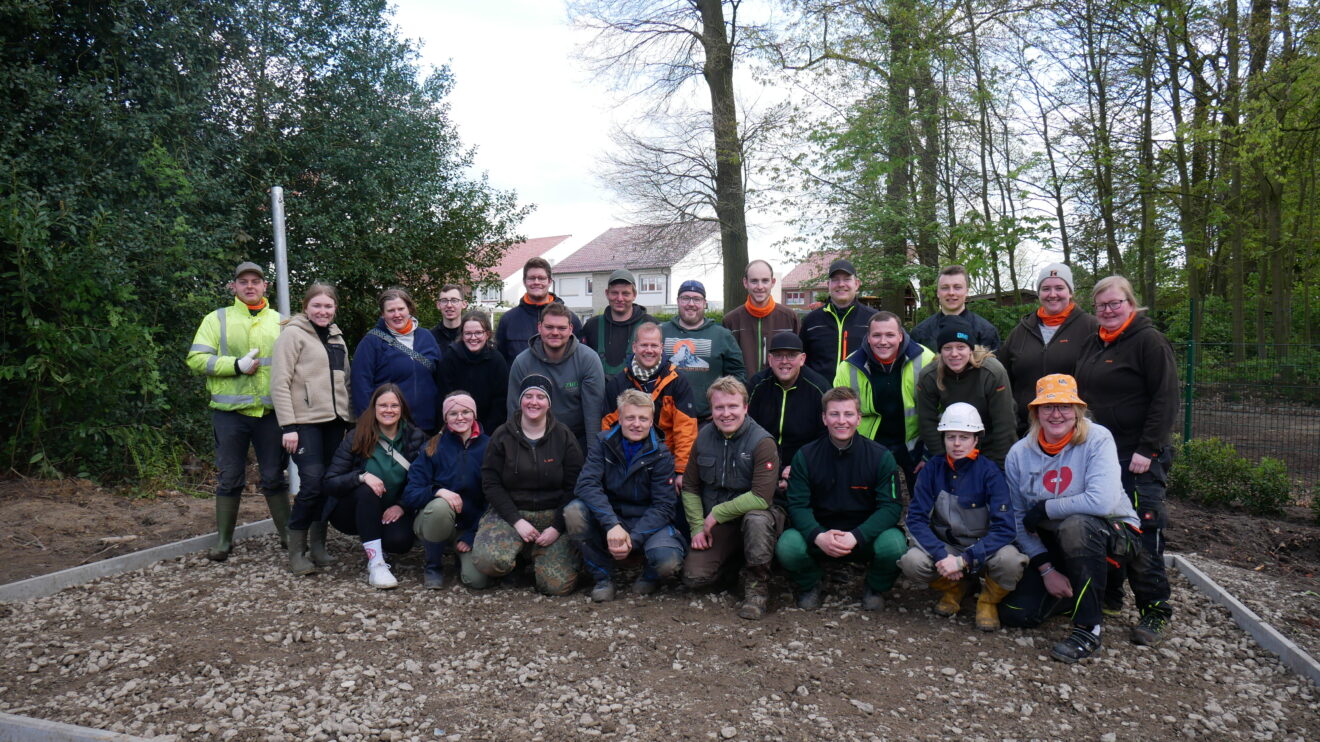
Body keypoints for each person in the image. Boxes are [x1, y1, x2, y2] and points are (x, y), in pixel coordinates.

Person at [999, 375, 1163, 663]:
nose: (1056, 414)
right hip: (1057, 541)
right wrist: (1046, 569)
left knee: (1077, 524)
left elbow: (1102, 501)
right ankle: (1077, 594)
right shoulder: (1018, 454)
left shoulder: (1097, 439)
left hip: (1114, 532)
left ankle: (1089, 628)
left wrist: (1046, 508)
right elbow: (1017, 516)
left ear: (1078, 410)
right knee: (1016, 614)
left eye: (1065, 406)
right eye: (1048, 407)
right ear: (1036, 412)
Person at [1073, 275, 1176, 638]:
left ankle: (1155, 610)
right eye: (1101, 305)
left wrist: (1148, 448)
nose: (1108, 310)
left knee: (1143, 531)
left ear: (1131, 304)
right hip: (1100, 454)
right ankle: (1111, 596)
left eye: (1115, 303)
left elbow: (1165, 397)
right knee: (1103, 525)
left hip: (1137, 456)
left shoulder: (1148, 341)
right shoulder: (1093, 343)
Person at [186, 261, 290, 562]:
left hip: (270, 414)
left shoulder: (281, 322)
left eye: (255, 281)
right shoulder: (216, 320)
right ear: (234, 286)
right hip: (229, 414)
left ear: (264, 286)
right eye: (243, 281)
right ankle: (223, 540)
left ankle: (287, 535)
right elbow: (196, 360)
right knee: (229, 477)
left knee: (273, 476)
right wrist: (234, 366)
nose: (249, 286)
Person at [776, 387, 905, 611]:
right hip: (820, 534)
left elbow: (891, 508)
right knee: (788, 546)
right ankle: (811, 582)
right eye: (834, 414)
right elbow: (797, 505)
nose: (841, 421)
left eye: (848, 414)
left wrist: (857, 536)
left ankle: (875, 586)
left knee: (894, 545)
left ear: (858, 418)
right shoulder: (805, 456)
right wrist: (818, 536)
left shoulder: (880, 457)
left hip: (863, 536)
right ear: (824, 418)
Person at [899, 403, 1025, 631]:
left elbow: (1005, 529)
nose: (956, 444)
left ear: (976, 439)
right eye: (951, 437)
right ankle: (955, 587)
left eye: (964, 437)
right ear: (943, 438)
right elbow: (916, 519)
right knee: (912, 562)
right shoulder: (932, 469)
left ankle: (987, 600)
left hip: (983, 548)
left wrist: (965, 560)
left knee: (1011, 562)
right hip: (947, 547)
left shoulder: (991, 473)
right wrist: (941, 556)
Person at [566, 389, 686, 601]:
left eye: (643, 418)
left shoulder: (662, 454)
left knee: (669, 560)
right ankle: (602, 577)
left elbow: (664, 506)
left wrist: (633, 538)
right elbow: (586, 485)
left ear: (651, 422)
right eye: (630, 417)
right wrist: (612, 524)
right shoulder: (602, 443)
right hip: (610, 517)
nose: (636, 424)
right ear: (620, 419)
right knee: (574, 512)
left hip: (645, 519)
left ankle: (650, 575)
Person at [680, 377, 783, 620]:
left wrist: (716, 513)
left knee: (756, 520)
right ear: (712, 410)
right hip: (719, 526)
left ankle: (757, 589)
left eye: (733, 406)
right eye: (719, 407)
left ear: (745, 407)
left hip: (756, 518)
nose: (726, 414)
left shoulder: (763, 442)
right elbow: (690, 487)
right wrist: (696, 527)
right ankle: (732, 565)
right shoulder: (703, 437)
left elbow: (761, 497)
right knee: (694, 578)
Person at [473, 374, 584, 596]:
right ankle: (518, 559)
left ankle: (538, 558)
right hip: (510, 513)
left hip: (552, 514)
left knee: (556, 587)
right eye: (528, 396)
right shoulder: (502, 435)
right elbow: (491, 482)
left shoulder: (564, 436)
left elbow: (575, 485)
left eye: (541, 397)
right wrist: (516, 521)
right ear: (520, 400)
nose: (534, 402)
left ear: (549, 403)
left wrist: (557, 527)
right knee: (488, 562)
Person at [270, 282, 353, 575]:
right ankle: (297, 550)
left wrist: (351, 419)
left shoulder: (336, 336)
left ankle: (318, 545)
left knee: (329, 484)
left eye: (328, 306)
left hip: (335, 422)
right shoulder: (292, 335)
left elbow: (345, 380)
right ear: (306, 307)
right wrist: (288, 426)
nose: (322, 311)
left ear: (335, 309)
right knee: (312, 483)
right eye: (317, 305)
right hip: (303, 423)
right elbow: (279, 383)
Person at [323, 383, 427, 589]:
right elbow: (330, 481)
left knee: (400, 542)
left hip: (392, 510)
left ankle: (379, 544)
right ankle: (376, 563)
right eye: (383, 405)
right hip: (352, 510)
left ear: (402, 409)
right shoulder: (357, 435)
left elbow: (422, 480)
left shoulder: (416, 437)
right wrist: (361, 476)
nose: (389, 410)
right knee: (367, 488)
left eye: (394, 405)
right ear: (374, 408)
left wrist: (402, 505)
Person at [836, 311, 936, 492]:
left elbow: (938, 409)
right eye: (876, 335)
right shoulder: (849, 366)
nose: (883, 341)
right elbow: (838, 414)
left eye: (890, 335)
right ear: (868, 338)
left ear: (900, 335)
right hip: (869, 443)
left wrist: (929, 453)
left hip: (915, 442)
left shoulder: (926, 359)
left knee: (924, 498)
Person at [403, 391, 490, 590]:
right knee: (441, 507)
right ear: (445, 418)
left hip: (471, 526)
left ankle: (460, 556)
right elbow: (410, 494)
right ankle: (433, 565)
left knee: (477, 581)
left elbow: (494, 498)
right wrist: (437, 491)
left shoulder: (490, 447)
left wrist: (472, 534)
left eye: (466, 412)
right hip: (435, 520)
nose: (460, 417)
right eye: (453, 413)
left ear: (474, 414)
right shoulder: (432, 447)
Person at [1000, 263, 1099, 436]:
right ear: (1039, 293)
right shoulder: (1021, 332)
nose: (1052, 294)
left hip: (1078, 431)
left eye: (1059, 288)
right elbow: (1004, 379)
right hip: (1028, 431)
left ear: (1070, 292)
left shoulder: (1092, 328)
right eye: (1046, 289)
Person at [599, 322, 699, 481]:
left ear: (661, 347)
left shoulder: (677, 382)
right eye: (644, 345)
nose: (649, 350)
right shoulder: (618, 384)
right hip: (628, 462)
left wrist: (681, 471)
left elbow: (685, 430)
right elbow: (608, 428)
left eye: (654, 345)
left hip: (666, 463)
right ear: (634, 347)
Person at [914, 317, 1017, 466]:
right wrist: (943, 460)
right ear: (940, 351)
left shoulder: (992, 372)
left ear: (971, 349)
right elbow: (927, 422)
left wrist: (1000, 465)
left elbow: (1004, 423)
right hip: (953, 442)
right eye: (947, 348)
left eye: (961, 347)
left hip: (989, 440)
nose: (954, 354)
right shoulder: (929, 376)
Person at [506, 302, 606, 455]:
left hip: (577, 441)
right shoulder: (522, 362)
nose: (555, 332)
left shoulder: (588, 359)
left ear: (571, 329)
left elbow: (593, 415)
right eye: (549, 327)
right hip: (534, 442)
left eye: (561, 328)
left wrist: (595, 460)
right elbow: (514, 412)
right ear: (539, 327)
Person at [745, 333, 829, 496]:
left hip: (805, 467)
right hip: (762, 464)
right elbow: (746, 429)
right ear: (769, 359)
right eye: (778, 356)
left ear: (802, 359)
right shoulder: (757, 385)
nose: (784, 361)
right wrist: (775, 470)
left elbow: (825, 437)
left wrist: (799, 468)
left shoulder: (819, 388)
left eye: (791, 355)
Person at [351, 288, 443, 433]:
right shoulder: (371, 342)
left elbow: (441, 378)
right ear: (383, 314)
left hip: (428, 425)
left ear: (409, 309)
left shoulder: (427, 337)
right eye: (391, 310)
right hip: (390, 428)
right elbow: (360, 386)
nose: (397, 314)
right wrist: (368, 424)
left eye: (401, 309)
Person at [663, 280, 745, 419]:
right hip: (666, 419)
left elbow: (738, 376)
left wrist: (724, 406)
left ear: (704, 303)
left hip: (707, 421)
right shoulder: (661, 332)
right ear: (678, 301)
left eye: (697, 299)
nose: (691, 304)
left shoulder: (722, 335)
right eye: (685, 298)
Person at [494, 257, 583, 364]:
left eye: (541, 278)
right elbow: (500, 361)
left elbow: (580, 358)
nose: (536, 282)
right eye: (532, 278)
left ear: (549, 281)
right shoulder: (508, 320)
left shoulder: (570, 319)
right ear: (524, 282)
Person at [798, 259, 877, 380]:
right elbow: (801, 361)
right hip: (821, 395)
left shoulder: (873, 320)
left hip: (860, 395)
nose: (841, 284)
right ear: (828, 285)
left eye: (847, 279)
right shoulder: (811, 321)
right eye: (835, 280)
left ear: (857, 283)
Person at [722, 260, 801, 375]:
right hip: (742, 390)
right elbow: (726, 364)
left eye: (765, 281)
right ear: (745, 283)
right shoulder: (730, 321)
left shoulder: (790, 318)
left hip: (779, 390)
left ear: (773, 282)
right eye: (754, 281)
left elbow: (799, 358)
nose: (760, 287)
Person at [437, 310, 508, 434]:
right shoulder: (450, 358)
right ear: (462, 335)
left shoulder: (497, 360)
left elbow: (500, 400)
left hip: (488, 430)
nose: (473, 338)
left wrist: (485, 433)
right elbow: (444, 396)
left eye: (478, 333)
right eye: (468, 333)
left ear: (487, 334)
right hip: (455, 426)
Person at [910, 265, 1001, 352]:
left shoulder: (986, 332)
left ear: (967, 291)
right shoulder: (920, 333)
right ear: (938, 292)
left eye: (957, 287)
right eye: (945, 288)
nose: (951, 292)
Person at [582, 269, 656, 377]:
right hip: (600, 392)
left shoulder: (651, 325)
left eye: (625, 293)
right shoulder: (592, 326)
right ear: (607, 293)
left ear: (634, 295)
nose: (620, 298)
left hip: (638, 393)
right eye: (614, 293)